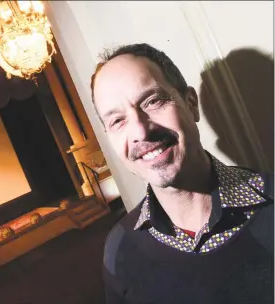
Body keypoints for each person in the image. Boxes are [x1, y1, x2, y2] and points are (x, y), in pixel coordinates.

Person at [90, 43, 274, 304]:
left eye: (152, 101)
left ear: (191, 104)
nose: (141, 132)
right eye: (117, 120)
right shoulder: (119, 248)